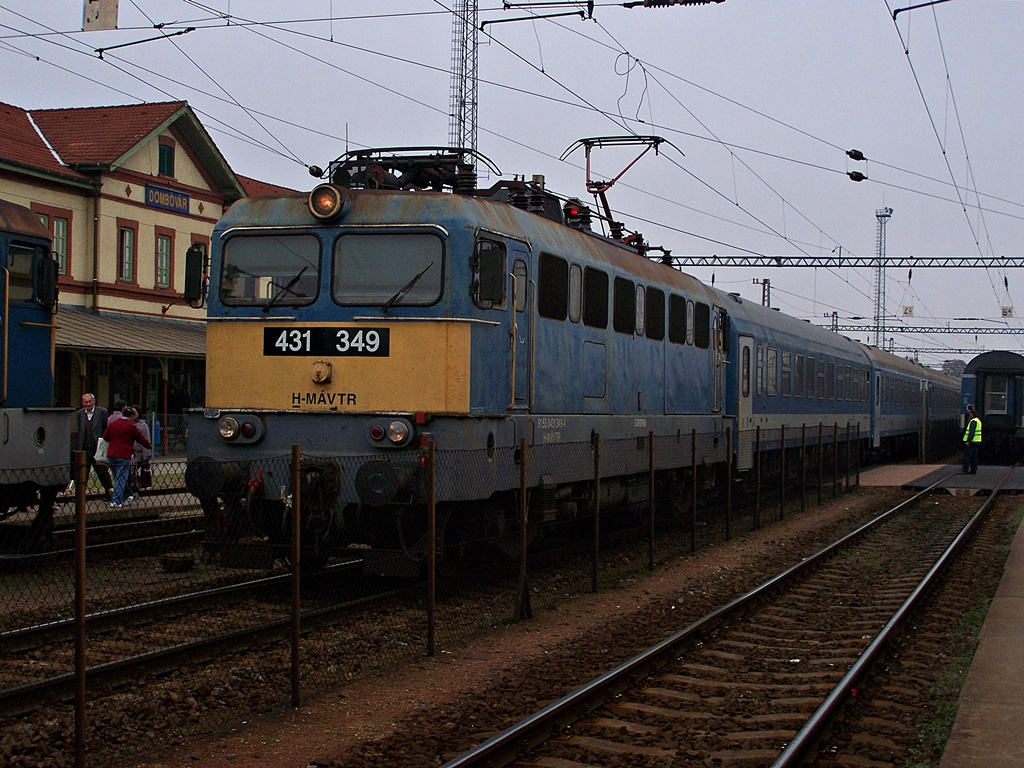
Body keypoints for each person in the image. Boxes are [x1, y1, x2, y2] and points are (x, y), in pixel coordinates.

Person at [102, 406, 152, 508]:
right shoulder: (131, 426)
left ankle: (128, 495)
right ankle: (116, 501)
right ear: (131, 416)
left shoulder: (113, 424)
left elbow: (105, 437)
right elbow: (140, 438)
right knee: (122, 477)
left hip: (111, 454)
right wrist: (149, 446)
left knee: (118, 477)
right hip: (124, 455)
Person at [74, 393, 113, 500]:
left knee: (102, 471)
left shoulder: (102, 412)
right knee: (83, 473)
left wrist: (105, 445)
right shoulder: (80, 414)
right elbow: (80, 430)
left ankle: (109, 492)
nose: (88, 404)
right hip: (85, 448)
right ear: (82, 403)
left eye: (90, 401)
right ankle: (81, 496)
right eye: (85, 402)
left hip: (98, 447)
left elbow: (106, 428)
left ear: (94, 401)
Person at [128, 405, 153, 501]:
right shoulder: (127, 423)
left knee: (135, 474)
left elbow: (146, 439)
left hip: (138, 454)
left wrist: (146, 456)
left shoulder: (143, 426)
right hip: (129, 453)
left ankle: (136, 491)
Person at [962, 404, 982, 474]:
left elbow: (971, 432)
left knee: (967, 456)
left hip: (972, 442)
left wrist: (968, 441)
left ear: (972, 414)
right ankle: (973, 470)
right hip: (977, 442)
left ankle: (965, 469)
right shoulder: (978, 421)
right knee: (974, 457)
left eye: (970, 413)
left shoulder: (973, 421)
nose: (969, 415)